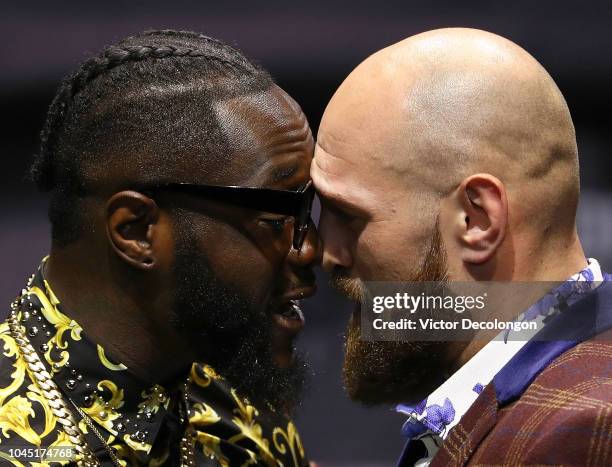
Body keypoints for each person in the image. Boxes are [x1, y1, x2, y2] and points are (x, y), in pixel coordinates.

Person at [0, 29, 319, 466]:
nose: (312, 249)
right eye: (279, 216)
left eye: (309, 209)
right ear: (136, 231)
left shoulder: (238, 409)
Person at [312, 27, 612, 466]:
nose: (328, 254)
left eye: (349, 216)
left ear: (477, 219)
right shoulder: (545, 406)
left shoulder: (584, 435)